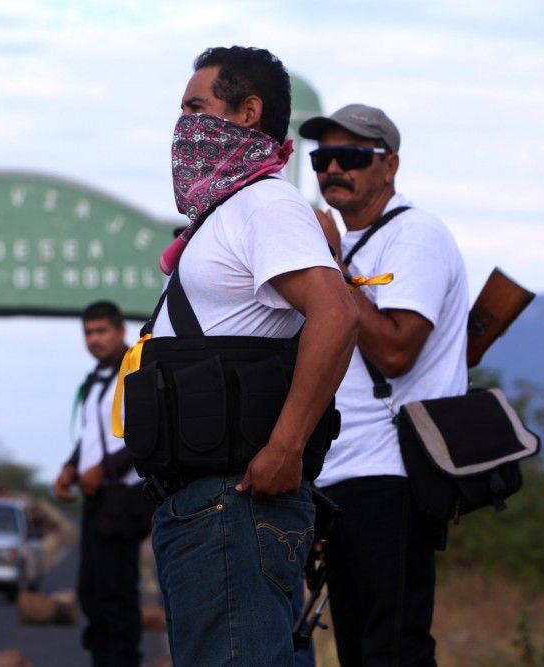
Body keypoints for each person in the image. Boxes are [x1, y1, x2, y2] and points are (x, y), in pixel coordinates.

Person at [147, 46, 359, 666]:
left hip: (232, 504)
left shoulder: (266, 203)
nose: (182, 125)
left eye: (196, 107)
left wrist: (286, 446)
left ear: (247, 113)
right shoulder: (228, 212)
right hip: (204, 505)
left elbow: (337, 313)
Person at [300, 103, 469, 666]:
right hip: (342, 476)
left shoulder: (415, 235)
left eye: (351, 156)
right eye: (323, 157)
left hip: (392, 473)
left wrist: (333, 266)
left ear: (389, 166)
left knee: (393, 648)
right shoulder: (347, 250)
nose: (332, 169)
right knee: (356, 649)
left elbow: (396, 349)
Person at [52, 300, 147, 667]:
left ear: (121, 331)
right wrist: (71, 467)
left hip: (122, 498)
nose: (94, 339)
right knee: (91, 591)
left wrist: (103, 470)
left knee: (116, 594)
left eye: (101, 331)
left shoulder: (136, 368)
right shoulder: (94, 380)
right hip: (95, 498)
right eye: (88, 333)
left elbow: (142, 435)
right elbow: (92, 437)